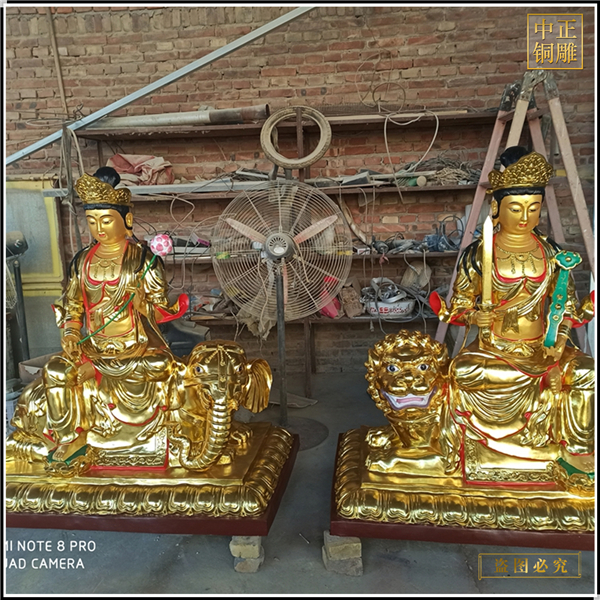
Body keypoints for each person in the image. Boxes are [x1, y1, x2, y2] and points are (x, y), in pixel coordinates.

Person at [432, 147, 594, 478]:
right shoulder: (478, 254)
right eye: (516, 208)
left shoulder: (553, 254)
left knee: (587, 373)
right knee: (461, 372)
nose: (525, 217)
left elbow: (565, 307)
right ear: (496, 208)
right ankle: (486, 449)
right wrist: (473, 317)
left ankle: (576, 454)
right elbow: (459, 305)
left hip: (543, 347)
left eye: (533, 208)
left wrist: (558, 343)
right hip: (495, 350)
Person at [11, 167, 188, 463]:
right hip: (93, 352)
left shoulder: (143, 261)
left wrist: (147, 305)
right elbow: (73, 305)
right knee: (56, 372)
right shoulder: (82, 261)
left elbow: (161, 310)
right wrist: (70, 333)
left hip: (135, 351)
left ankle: (152, 435)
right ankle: (70, 439)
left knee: (162, 367)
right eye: (92, 221)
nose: (99, 228)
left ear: (126, 220)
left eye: (106, 220)